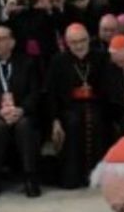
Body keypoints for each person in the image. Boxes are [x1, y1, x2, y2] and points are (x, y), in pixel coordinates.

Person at [0, 24, 42, 200]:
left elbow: (34, 93)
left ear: (12, 43)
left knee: (25, 125)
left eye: (1, 39)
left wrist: (21, 109)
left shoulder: (27, 63)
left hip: (21, 112)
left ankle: (30, 177)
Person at [47, 25, 110, 189]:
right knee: (73, 122)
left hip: (97, 104)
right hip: (69, 108)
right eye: (74, 42)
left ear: (89, 39)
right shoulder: (58, 61)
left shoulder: (101, 57)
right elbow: (51, 93)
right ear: (67, 43)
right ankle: (73, 176)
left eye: (82, 41)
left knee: (97, 120)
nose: (79, 46)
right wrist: (54, 120)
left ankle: (98, 175)